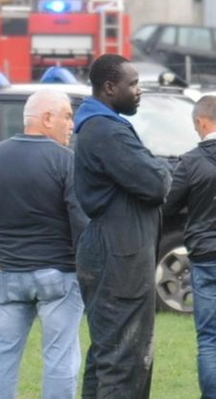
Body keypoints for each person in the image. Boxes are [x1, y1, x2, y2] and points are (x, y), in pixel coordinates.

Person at [0, 90, 86, 399]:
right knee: (60, 359)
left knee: (2, 357)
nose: (72, 124)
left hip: (6, 274)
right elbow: (80, 221)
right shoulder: (66, 161)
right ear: (46, 118)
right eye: (67, 115)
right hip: (58, 275)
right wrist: (84, 265)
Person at [74, 54, 172, 399]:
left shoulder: (104, 125)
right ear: (109, 87)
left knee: (108, 354)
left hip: (116, 253)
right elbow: (156, 182)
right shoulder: (105, 131)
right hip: (118, 259)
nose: (139, 90)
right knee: (123, 359)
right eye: (132, 84)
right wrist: (159, 169)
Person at [162, 95, 216, 399]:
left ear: (201, 122)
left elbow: (169, 206)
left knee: (210, 342)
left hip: (207, 259)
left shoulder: (191, 161)